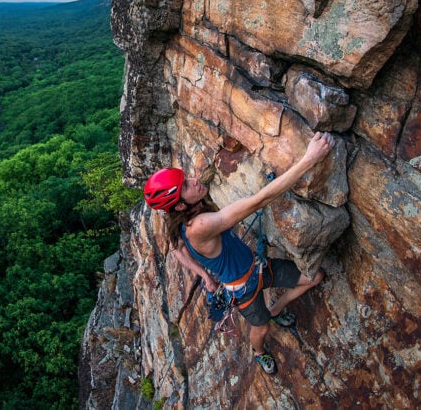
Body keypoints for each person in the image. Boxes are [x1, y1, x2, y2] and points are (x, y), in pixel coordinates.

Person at [143, 132, 334, 375]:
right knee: (261, 329)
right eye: (186, 186)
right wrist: (309, 159)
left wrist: (204, 275)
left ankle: (275, 310)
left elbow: (176, 249)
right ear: (180, 205)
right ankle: (259, 353)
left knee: (314, 277)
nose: (194, 179)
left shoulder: (182, 218)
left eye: (187, 178)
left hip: (259, 267)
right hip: (243, 290)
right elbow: (259, 201)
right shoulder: (198, 226)